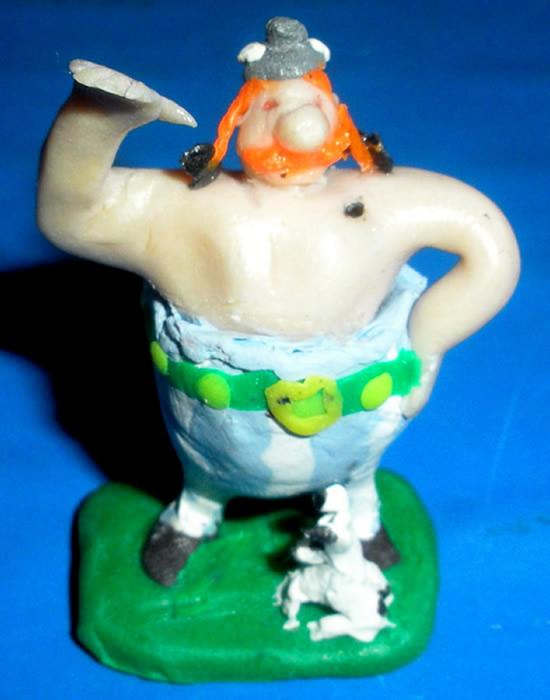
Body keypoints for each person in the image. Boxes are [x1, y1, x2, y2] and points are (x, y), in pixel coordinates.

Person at [37, 18, 519, 586]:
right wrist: (95, 119)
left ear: (337, 112)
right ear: (238, 119)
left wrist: (426, 347)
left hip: (356, 416)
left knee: (356, 469)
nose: (297, 123)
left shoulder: (385, 202)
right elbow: (72, 214)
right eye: (271, 106)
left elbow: (490, 248)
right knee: (207, 468)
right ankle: (197, 509)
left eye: (311, 102)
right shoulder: (187, 208)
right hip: (216, 421)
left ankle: (360, 507)